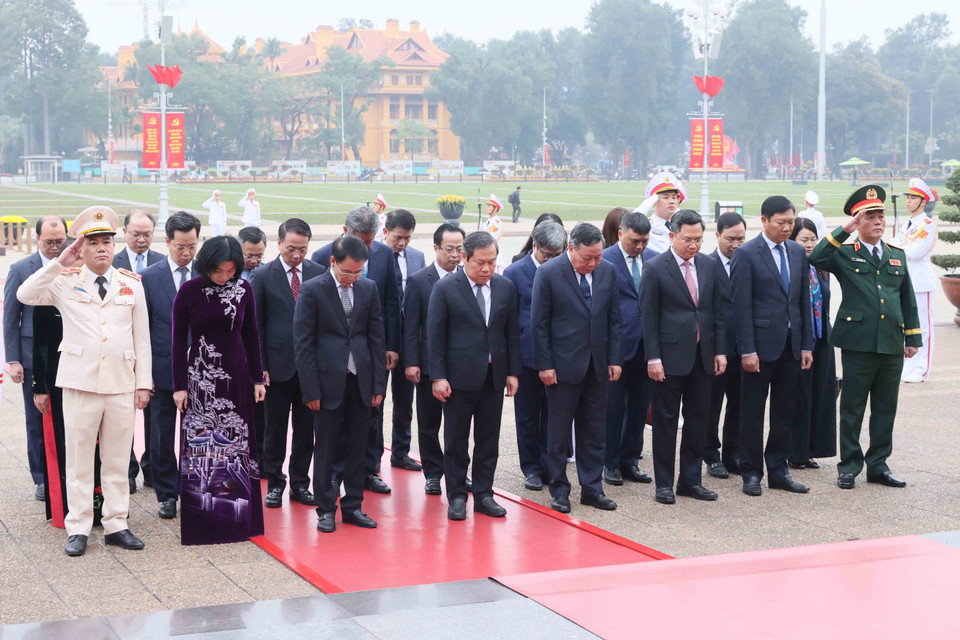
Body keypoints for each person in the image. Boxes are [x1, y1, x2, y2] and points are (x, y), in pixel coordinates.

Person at [17, 206, 151, 557]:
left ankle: (116, 523)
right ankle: (78, 526)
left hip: (120, 383)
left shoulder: (131, 285)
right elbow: (25, 294)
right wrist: (60, 262)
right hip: (79, 384)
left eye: (107, 241)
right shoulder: (65, 281)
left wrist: (143, 383)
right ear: (82, 248)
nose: (102, 248)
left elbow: (142, 339)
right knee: (78, 461)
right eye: (93, 243)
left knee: (117, 459)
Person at [808, 184, 921, 490]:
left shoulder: (896, 255)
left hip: (891, 343)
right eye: (870, 217)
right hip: (858, 343)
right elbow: (816, 257)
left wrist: (912, 338)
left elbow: (907, 299)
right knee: (853, 409)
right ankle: (849, 466)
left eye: (880, 216)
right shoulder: (845, 253)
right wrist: (844, 229)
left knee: (885, 409)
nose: (878, 221)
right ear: (858, 221)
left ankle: (879, 465)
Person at [172, 236, 266, 544]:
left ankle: (238, 518)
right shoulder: (189, 291)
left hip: (236, 375)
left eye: (230, 270)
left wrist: (257, 378)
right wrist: (179, 386)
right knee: (202, 443)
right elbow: (177, 341)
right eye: (218, 271)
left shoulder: (244, 289)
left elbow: (252, 335)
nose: (224, 276)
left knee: (236, 442)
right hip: (201, 376)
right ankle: (203, 520)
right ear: (206, 265)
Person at [294, 235, 388, 533]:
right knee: (326, 448)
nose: (352, 278)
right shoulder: (312, 289)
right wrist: (310, 389)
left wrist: (378, 385)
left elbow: (376, 338)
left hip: (360, 380)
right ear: (333, 262)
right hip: (326, 382)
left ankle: (353, 506)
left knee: (358, 447)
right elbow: (304, 343)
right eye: (347, 272)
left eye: (358, 272)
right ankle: (325, 509)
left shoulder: (368, 288)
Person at [428, 231, 521, 520]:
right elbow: (435, 336)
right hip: (458, 379)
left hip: (493, 377)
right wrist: (438, 376)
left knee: (488, 440)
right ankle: (456, 496)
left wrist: (512, 372)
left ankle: (484, 494)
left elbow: (511, 333)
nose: (486, 268)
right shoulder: (446, 288)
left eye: (491, 262)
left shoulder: (505, 287)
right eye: (480, 262)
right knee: (456, 441)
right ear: (464, 258)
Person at [532, 222, 622, 513]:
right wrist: (545, 365)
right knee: (559, 433)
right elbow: (539, 323)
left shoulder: (607, 271)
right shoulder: (549, 272)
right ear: (571, 249)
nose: (593, 263)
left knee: (594, 431)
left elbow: (614, 319)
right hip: (562, 367)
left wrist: (614, 359)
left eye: (598, 257)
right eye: (587, 258)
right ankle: (559, 489)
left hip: (597, 366)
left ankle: (592, 488)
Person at [311, 206, 399, 494]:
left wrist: (391, 346)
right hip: (333, 360)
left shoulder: (384, 254)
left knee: (371, 414)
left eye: (369, 241)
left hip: (369, 353)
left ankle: (369, 469)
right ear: (345, 231)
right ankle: (335, 475)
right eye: (360, 239)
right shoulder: (322, 256)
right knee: (335, 421)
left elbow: (391, 303)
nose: (365, 247)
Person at [641, 210, 726, 504]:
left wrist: (720, 351)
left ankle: (690, 481)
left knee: (698, 421)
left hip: (703, 357)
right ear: (672, 235)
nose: (694, 245)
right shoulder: (655, 268)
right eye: (688, 239)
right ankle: (664, 484)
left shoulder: (709, 265)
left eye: (699, 239)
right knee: (665, 423)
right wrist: (653, 358)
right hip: (668, 359)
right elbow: (648, 317)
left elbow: (717, 312)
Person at [731, 195, 813, 497]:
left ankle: (779, 471)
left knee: (784, 411)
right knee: (752, 413)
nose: (787, 228)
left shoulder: (796, 251)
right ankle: (751, 472)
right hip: (759, 348)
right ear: (764, 220)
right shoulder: (747, 253)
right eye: (781, 222)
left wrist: (806, 345)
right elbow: (740, 307)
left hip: (791, 346)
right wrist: (747, 350)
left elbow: (802, 301)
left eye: (791, 222)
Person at [252, 218, 323, 509]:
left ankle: (300, 484)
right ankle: (274, 483)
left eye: (302, 249)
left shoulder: (319, 273)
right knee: (275, 430)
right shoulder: (263, 275)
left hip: (310, 368)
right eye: (291, 248)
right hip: (276, 366)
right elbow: (255, 325)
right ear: (279, 243)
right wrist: (260, 366)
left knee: (306, 430)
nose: (296, 255)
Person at [141, 212, 201, 520]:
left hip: (201, 371)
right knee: (161, 437)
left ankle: (194, 490)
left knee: (197, 435)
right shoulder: (150, 278)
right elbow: (142, 328)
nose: (186, 253)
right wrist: (144, 372)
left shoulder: (206, 274)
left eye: (192, 246)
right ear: (167, 241)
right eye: (180, 246)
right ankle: (167, 494)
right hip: (162, 369)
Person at [4, 215, 68, 501]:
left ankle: (66, 471)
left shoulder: (74, 265)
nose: (55, 247)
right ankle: (42, 477)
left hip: (68, 352)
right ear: (37, 238)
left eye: (60, 241)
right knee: (37, 418)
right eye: (49, 242)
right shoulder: (21, 269)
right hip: (33, 356)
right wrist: (13, 359)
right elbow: (10, 317)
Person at [504, 221, 567, 491]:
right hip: (527, 359)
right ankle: (530, 468)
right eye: (547, 255)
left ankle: (549, 465)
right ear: (534, 246)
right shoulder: (515, 273)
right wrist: (511, 365)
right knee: (528, 416)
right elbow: (508, 322)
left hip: (559, 356)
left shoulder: (566, 269)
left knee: (554, 416)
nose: (552, 260)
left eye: (557, 255)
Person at [404, 224, 466, 495]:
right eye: (449, 249)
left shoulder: (468, 277)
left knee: (459, 425)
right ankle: (432, 473)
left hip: (461, 364)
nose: (455, 255)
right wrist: (412, 361)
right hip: (429, 365)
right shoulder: (419, 280)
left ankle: (458, 472)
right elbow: (411, 326)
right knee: (429, 423)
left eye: (459, 249)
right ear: (436, 248)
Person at [601, 211, 657, 487]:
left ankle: (630, 460)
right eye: (635, 241)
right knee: (613, 408)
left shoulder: (654, 259)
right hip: (616, 346)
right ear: (621, 233)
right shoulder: (603, 260)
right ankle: (610, 463)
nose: (640, 246)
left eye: (644, 241)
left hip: (646, 345)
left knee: (639, 407)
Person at [113, 209, 164, 491]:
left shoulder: (162, 263)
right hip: (120, 351)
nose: (142, 239)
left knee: (155, 418)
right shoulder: (111, 263)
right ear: (125, 233)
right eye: (136, 234)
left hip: (151, 352)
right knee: (122, 418)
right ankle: (128, 470)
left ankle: (153, 468)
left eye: (147, 234)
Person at [788, 218, 837, 469]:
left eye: (812, 239)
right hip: (799, 340)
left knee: (822, 395)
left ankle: (812, 449)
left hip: (823, 339)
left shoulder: (821, 267)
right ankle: (795, 452)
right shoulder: (790, 267)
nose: (809, 245)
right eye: (803, 240)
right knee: (800, 396)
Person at [703, 213, 747, 479]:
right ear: (718, 235)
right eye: (730, 239)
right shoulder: (706, 265)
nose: (736, 244)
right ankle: (710, 454)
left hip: (744, 349)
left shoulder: (750, 263)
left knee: (739, 405)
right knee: (711, 406)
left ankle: (734, 454)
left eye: (741, 239)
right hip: (716, 350)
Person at [382, 209, 425, 472]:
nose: (402, 243)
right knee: (375, 401)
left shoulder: (417, 257)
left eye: (407, 238)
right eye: (398, 237)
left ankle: (400, 451)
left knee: (405, 400)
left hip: (409, 339)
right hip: (381, 339)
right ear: (385, 231)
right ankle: (371, 455)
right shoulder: (375, 255)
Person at [895, 178, 937, 383]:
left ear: (923, 202)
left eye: (913, 198)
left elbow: (914, 252)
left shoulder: (928, 226)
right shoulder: (906, 225)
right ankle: (911, 365)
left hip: (921, 282)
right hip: (906, 280)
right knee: (909, 327)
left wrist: (897, 247)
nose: (908, 201)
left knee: (924, 328)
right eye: (908, 197)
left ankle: (922, 368)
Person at [643, 172, 687, 254]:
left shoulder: (681, 225)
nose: (671, 201)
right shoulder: (647, 227)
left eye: (674, 197)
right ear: (654, 201)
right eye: (666, 197)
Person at [482, 194, 506, 274]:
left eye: (489, 206)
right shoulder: (486, 223)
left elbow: (490, 238)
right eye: (487, 206)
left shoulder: (497, 223)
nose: (487, 208)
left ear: (495, 209)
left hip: (494, 254)